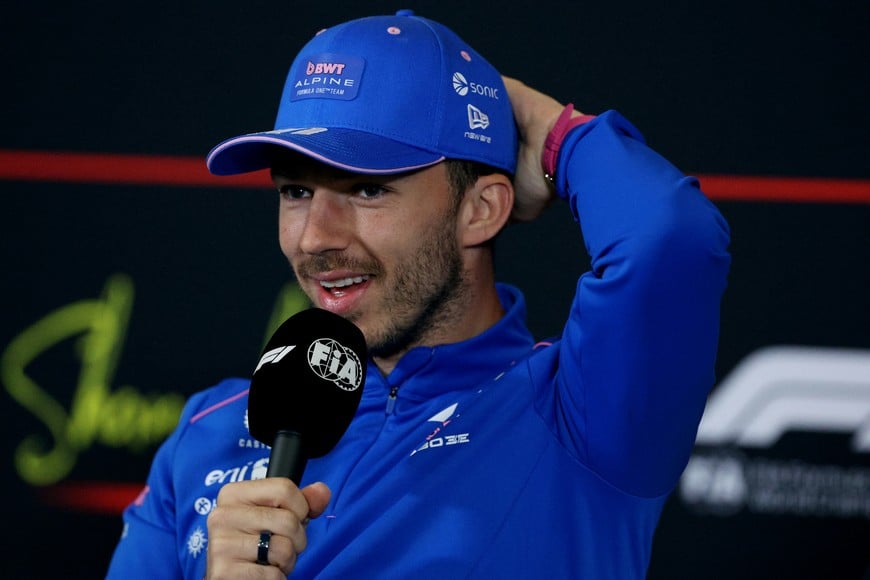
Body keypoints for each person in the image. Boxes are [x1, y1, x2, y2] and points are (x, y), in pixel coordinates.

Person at [107, 10, 730, 579]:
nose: (314, 237)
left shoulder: (578, 415)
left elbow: (668, 237)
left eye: (367, 190)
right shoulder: (208, 432)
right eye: (295, 191)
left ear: (481, 209)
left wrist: (541, 127)